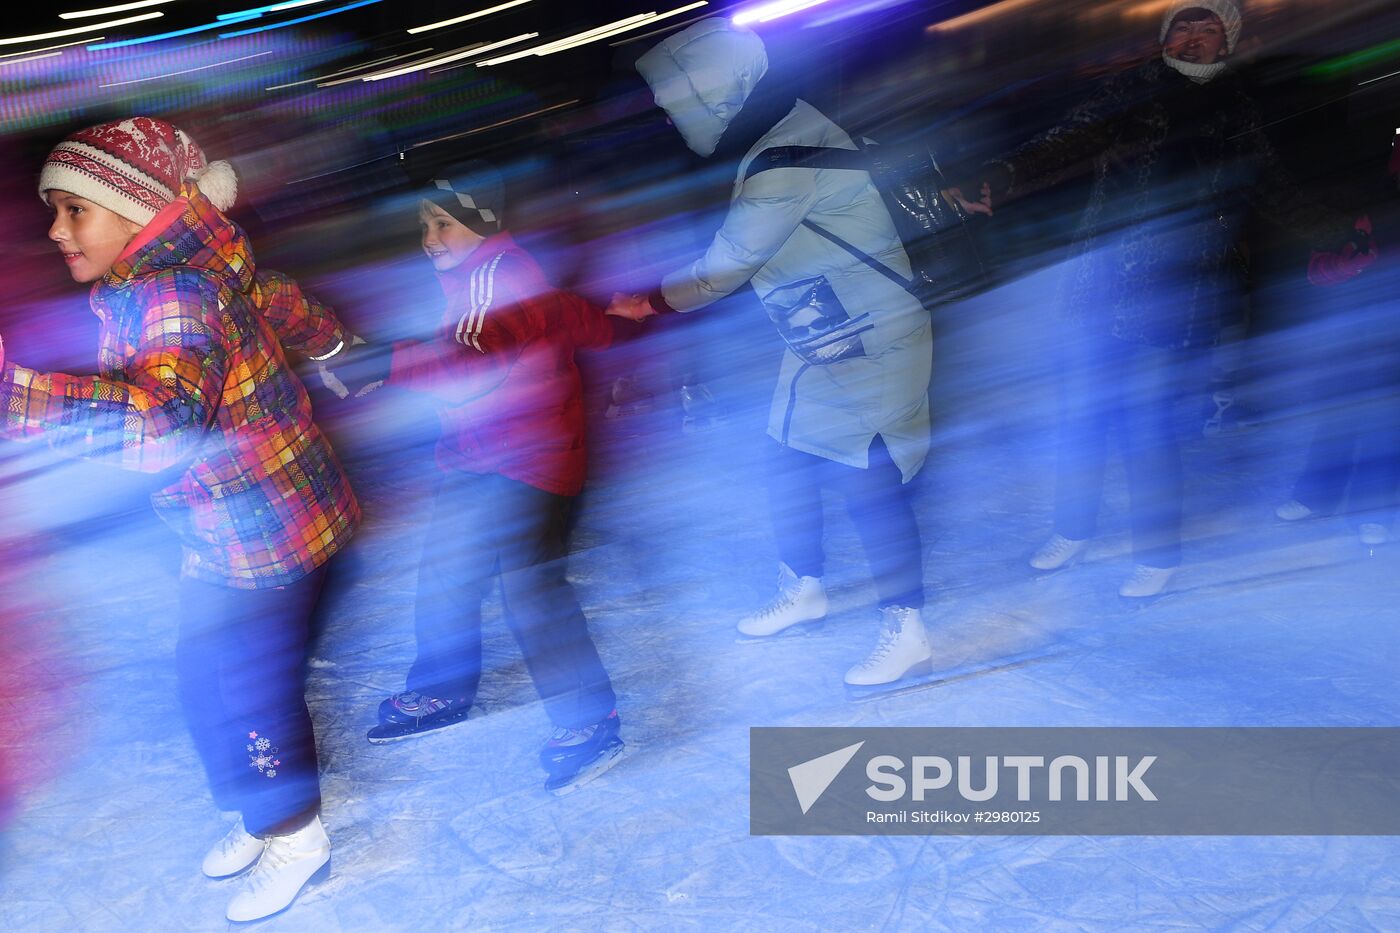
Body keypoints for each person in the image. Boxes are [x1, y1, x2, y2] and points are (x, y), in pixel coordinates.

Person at [0, 117, 359, 921]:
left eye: (74, 210)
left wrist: (16, 393)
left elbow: (164, 425)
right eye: (53, 211)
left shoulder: (170, 293)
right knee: (207, 681)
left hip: (267, 530)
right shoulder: (188, 273)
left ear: (138, 211)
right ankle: (257, 810)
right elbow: (281, 302)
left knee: (250, 689)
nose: (56, 230)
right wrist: (338, 350)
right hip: (235, 519)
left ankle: (298, 838)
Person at [951, 0, 1374, 597]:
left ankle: (1157, 550)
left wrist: (1338, 233)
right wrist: (997, 174)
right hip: (1107, 282)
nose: (1193, 37)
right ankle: (1073, 529)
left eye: (1207, 28)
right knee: (1082, 416)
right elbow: (1065, 140)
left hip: (1182, 295)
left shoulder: (1239, 108)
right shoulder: (1132, 89)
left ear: (1227, 42)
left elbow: (1273, 188)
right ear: (1165, 37)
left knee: (1149, 426)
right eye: (1182, 25)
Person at [611, 18, 934, 688]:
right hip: (827, 333)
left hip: (872, 336)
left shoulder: (786, 155)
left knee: (868, 481)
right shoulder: (778, 131)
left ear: (717, 95)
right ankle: (805, 588)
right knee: (786, 459)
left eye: (678, 107)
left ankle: (908, 629)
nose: (672, 121)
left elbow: (729, 263)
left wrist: (651, 301)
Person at [326, 161, 626, 794]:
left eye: (443, 223)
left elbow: (473, 353)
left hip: (531, 461)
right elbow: (566, 316)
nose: (431, 238)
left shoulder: (498, 273)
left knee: (532, 590)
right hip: (480, 456)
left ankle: (589, 720)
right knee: (445, 571)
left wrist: (377, 365)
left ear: (482, 223)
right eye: (424, 226)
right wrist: (617, 320)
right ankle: (441, 690)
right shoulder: (480, 276)